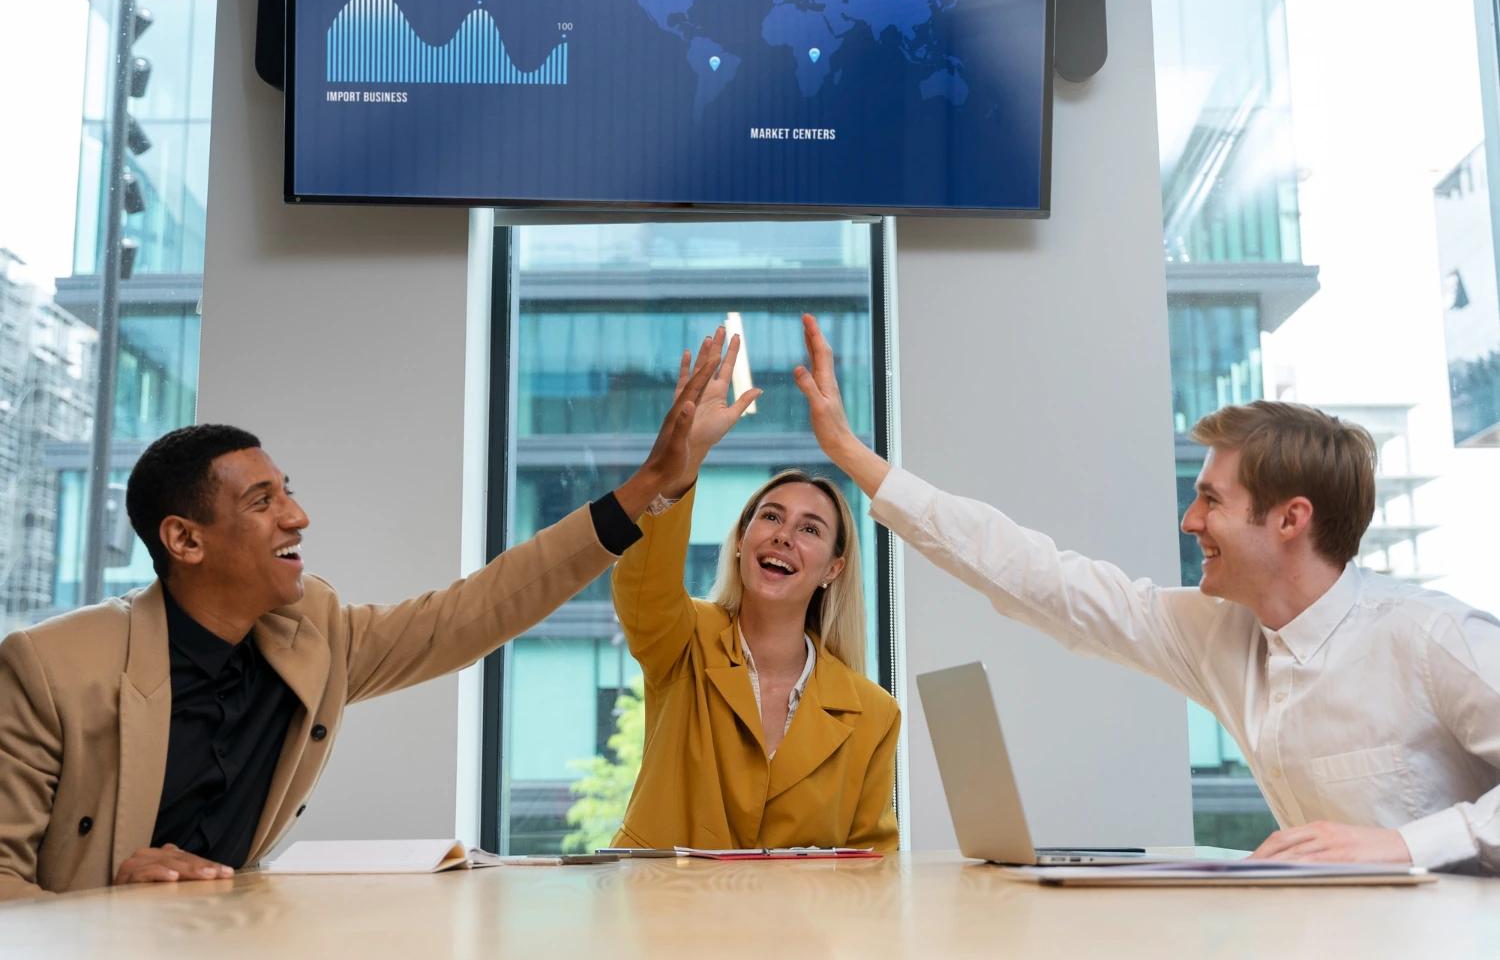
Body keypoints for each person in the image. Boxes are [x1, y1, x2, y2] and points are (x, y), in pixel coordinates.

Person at [0, 331, 731, 900]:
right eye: (262, 502)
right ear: (184, 541)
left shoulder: (313, 633)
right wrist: (109, 903)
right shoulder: (51, 668)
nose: (297, 516)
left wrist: (651, 485)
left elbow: (476, 612)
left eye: (288, 490)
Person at [793, 313, 1500, 873]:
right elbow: (1040, 578)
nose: (1190, 521)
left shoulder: (1431, 638)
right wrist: (854, 456)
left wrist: (1404, 845)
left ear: (1291, 520)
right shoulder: (1217, 631)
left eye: (1211, 500)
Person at [609, 331, 899, 852]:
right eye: (770, 517)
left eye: (809, 529)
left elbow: (873, 866)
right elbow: (641, 585)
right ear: (742, 541)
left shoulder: (873, 714)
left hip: (796, 910)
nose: (784, 535)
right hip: (659, 901)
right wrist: (686, 457)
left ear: (833, 569)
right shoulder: (683, 640)